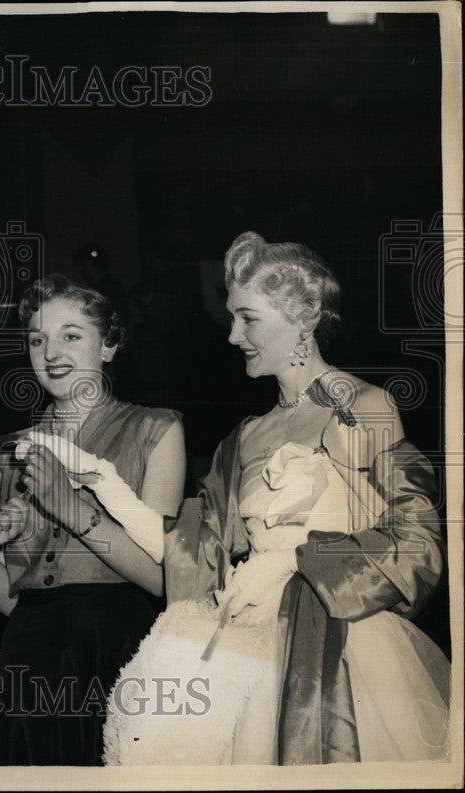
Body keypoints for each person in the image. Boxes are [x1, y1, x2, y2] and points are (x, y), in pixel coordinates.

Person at [103, 231, 450, 765]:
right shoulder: (244, 436)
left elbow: (419, 542)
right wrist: (104, 487)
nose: (232, 335)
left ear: (304, 318)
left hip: (341, 642)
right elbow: (193, 553)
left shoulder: (364, 406)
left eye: (249, 318)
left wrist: (293, 559)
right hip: (250, 643)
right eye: (233, 317)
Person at [0, 273, 187, 766]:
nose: (51, 352)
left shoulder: (156, 430)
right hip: (29, 655)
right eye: (38, 339)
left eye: (71, 335)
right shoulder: (8, 452)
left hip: (121, 646)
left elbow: (166, 579)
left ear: (109, 345)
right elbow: (12, 595)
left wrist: (70, 509)